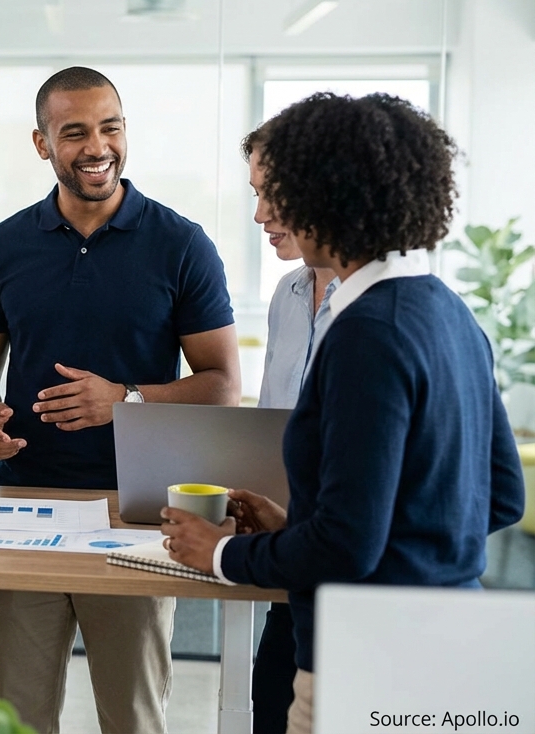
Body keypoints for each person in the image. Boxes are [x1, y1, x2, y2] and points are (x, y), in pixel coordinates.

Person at [161, 92, 527, 734]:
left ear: (322, 195)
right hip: (455, 647)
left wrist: (219, 553)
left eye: (280, 191)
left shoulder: (366, 331)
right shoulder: (447, 312)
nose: (266, 212)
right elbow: (499, 496)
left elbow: (347, 548)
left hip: (367, 659)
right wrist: (304, 523)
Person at [0, 66, 241, 734]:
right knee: (16, 718)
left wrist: (127, 399)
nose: (96, 145)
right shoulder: (2, 246)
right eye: (75, 131)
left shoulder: (181, 244)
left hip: (138, 512)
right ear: (41, 142)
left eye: (110, 126)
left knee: (133, 716)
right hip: (22, 504)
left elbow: (222, 383)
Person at [243, 122, 338, 734]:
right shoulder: (289, 292)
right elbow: (278, 422)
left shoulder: (393, 315)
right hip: (294, 561)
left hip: (357, 582)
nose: (260, 214)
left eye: (272, 192)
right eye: (253, 192)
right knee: (272, 700)